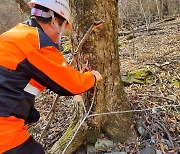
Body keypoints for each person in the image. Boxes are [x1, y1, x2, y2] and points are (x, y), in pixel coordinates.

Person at [0, 0, 102, 153]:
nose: (59, 36)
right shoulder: (37, 42)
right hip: (5, 133)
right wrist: (93, 76)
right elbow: (73, 85)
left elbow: (51, 75)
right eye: (63, 28)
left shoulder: (16, 34)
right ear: (54, 20)